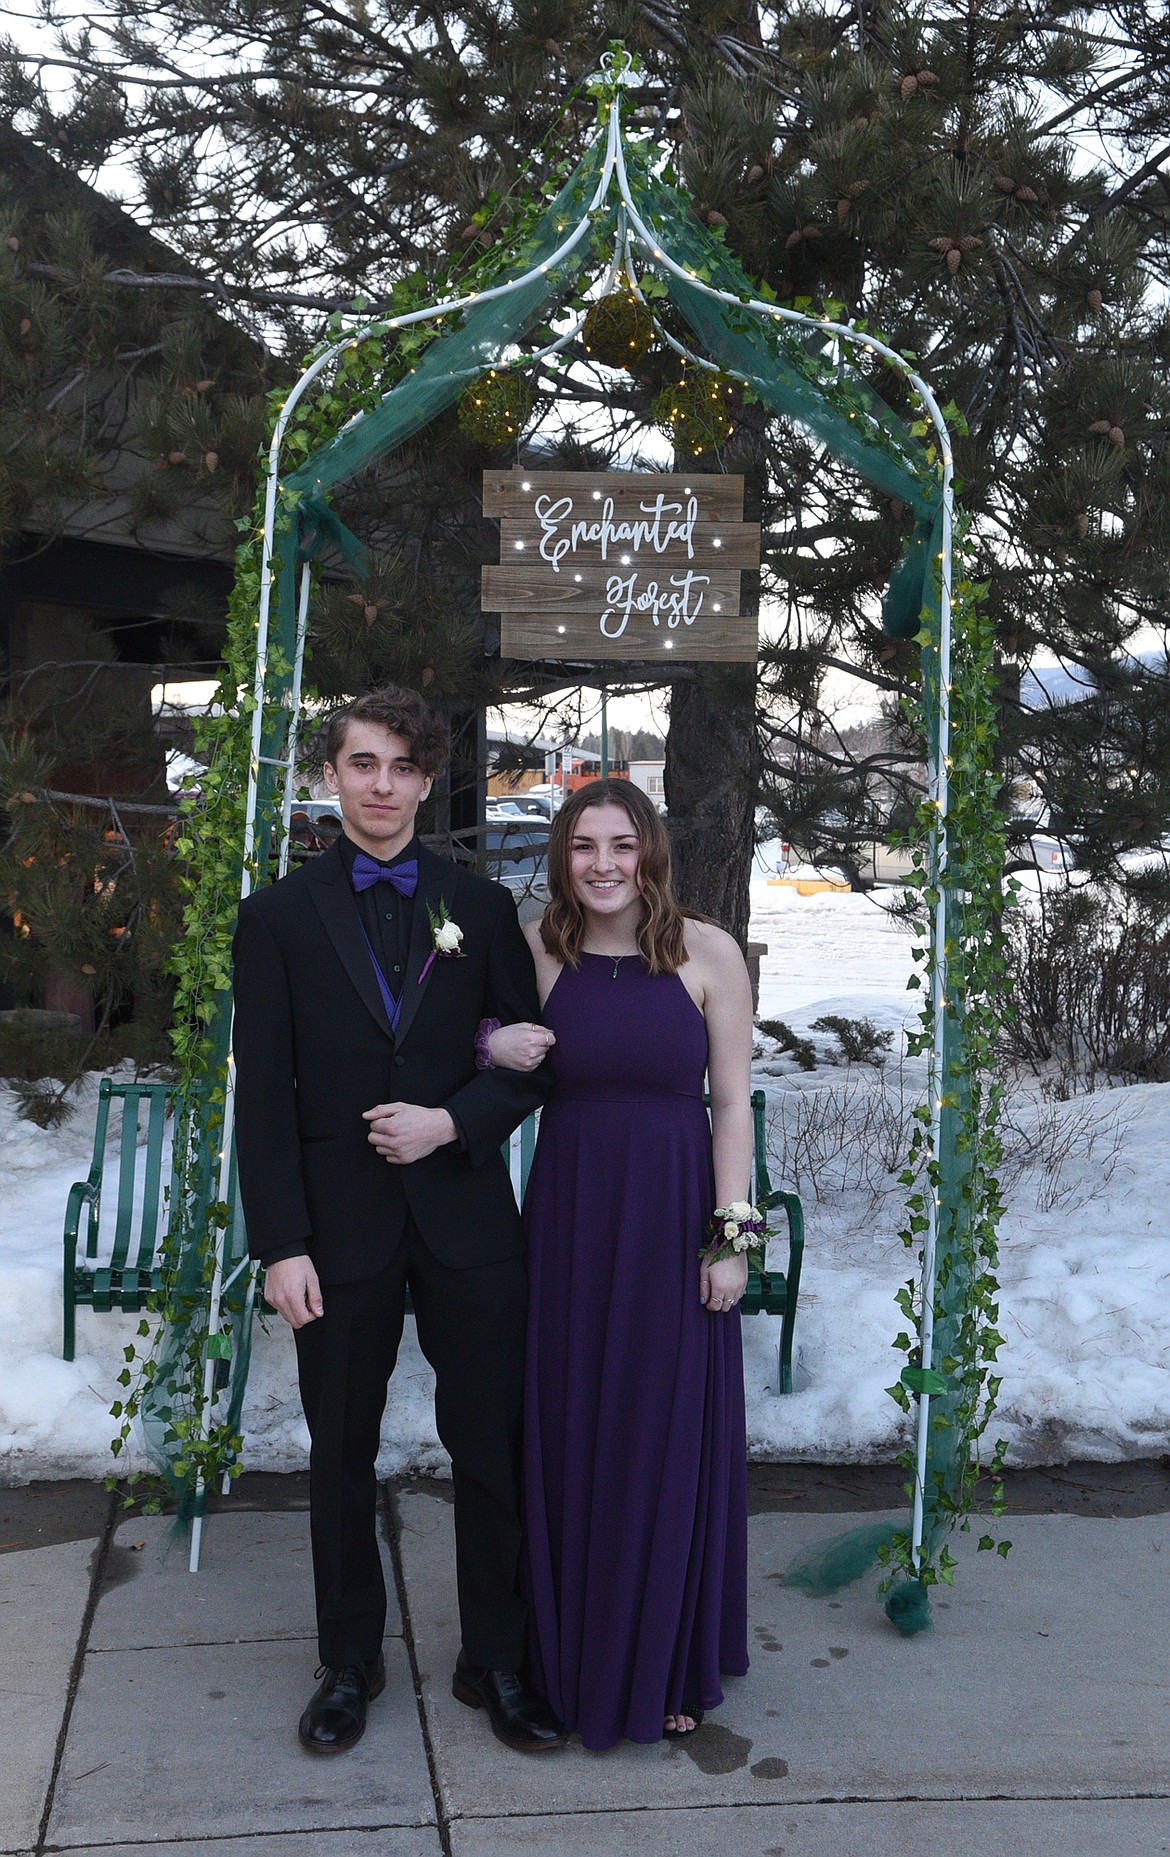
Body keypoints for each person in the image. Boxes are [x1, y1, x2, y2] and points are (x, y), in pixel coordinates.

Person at [230, 685, 565, 1757]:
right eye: (362, 764)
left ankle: (497, 1660)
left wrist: (450, 1122)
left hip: (468, 1221)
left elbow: (527, 1062)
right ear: (332, 774)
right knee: (341, 1453)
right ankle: (349, 1661)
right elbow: (265, 1094)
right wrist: (279, 1242)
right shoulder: (275, 918)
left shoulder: (477, 899)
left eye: (403, 767)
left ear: (429, 779)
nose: (382, 785)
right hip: (336, 1232)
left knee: (492, 1447)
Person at [488, 779, 754, 1750]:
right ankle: (570, 1655)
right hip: (570, 1222)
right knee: (572, 1429)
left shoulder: (708, 953)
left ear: (651, 854)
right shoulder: (539, 949)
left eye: (622, 844)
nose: (603, 864)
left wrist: (733, 1238)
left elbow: (731, 1105)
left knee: (661, 1429)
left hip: (674, 1219)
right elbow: (466, 1039)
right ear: (562, 856)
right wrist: (488, 1037)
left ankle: (665, 1658)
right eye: (584, 845)